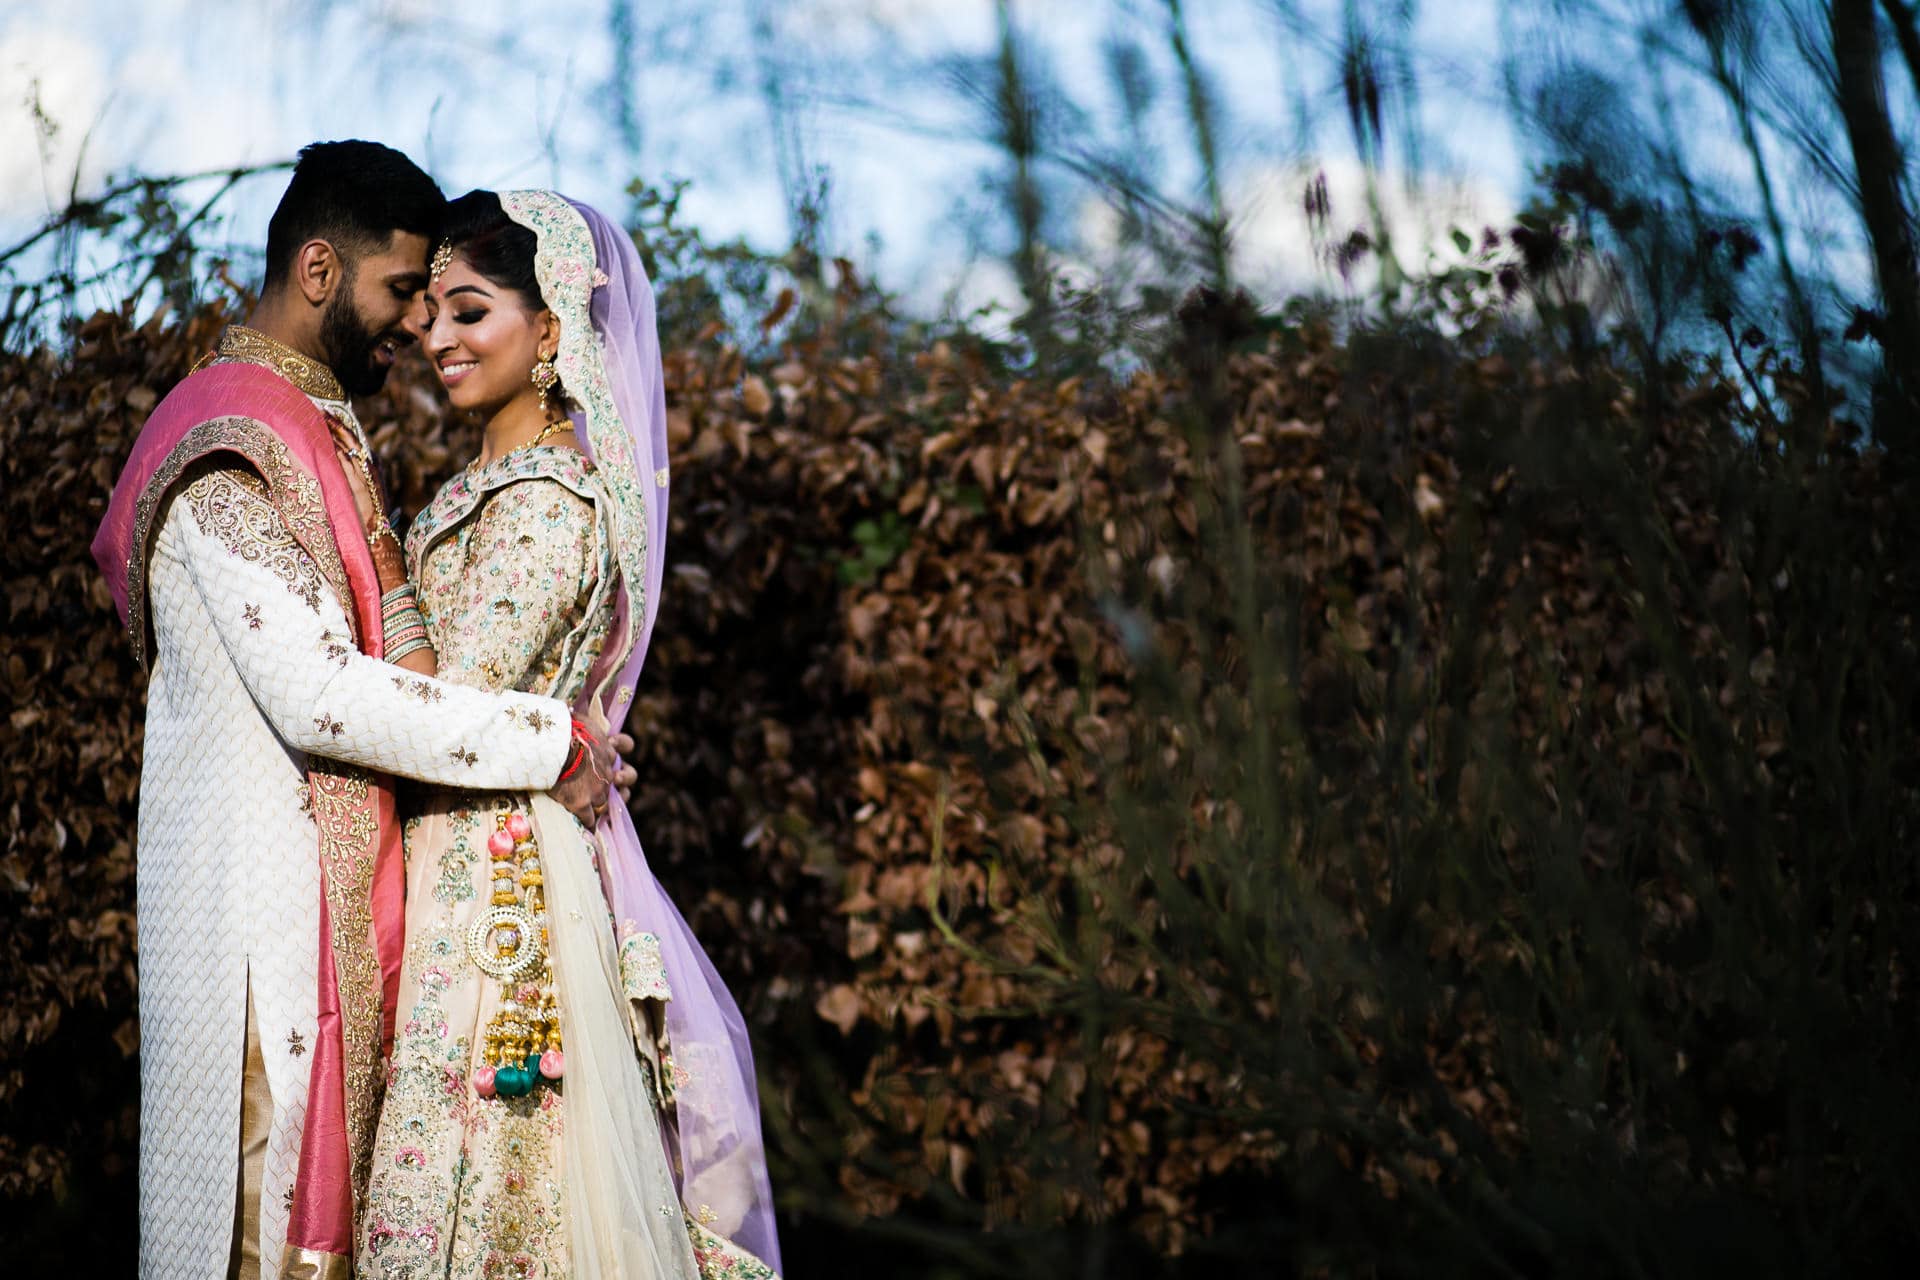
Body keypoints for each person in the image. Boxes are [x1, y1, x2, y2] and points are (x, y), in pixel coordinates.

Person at [91, 142, 623, 1280]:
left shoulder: (318, 436)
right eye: (402, 293)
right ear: (322, 270)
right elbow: (319, 690)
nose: (417, 330)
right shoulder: (226, 447)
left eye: (448, 303)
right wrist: (554, 734)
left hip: (337, 940)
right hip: (255, 957)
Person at [346, 191, 781, 1280]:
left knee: (491, 1195)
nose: (437, 337)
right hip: (445, 859)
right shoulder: (470, 488)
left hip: (499, 896)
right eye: (432, 311)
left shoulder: (552, 500)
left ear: (550, 332)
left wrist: (386, 567)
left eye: (471, 309)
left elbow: (452, 709)